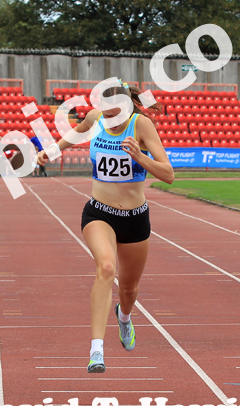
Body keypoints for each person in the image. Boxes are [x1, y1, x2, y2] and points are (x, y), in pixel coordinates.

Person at [37, 81, 173, 373]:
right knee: (106, 268)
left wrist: (140, 156)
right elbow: (76, 133)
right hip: (99, 212)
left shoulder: (142, 126)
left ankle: (124, 318)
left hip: (136, 218)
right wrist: (53, 150)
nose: (110, 119)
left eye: (116, 114)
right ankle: (96, 351)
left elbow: (169, 174)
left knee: (128, 288)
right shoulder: (95, 118)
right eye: (106, 113)